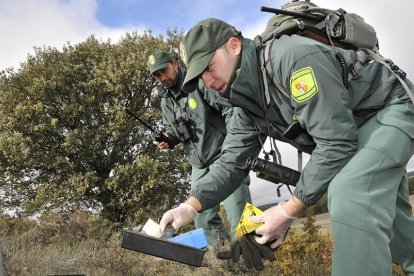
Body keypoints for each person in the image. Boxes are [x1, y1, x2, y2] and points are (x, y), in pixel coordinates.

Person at [160, 17, 414, 275]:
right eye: (200, 76)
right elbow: (231, 163)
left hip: (389, 108)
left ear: (234, 46)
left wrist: (288, 211)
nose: (208, 82)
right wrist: (188, 207)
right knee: (398, 226)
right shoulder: (245, 100)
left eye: (209, 68)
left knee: (350, 194)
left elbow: (336, 141)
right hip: (353, 130)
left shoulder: (291, 59)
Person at [146, 50, 252, 251]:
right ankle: (226, 264)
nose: (162, 78)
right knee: (201, 219)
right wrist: (168, 140)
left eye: (164, 71)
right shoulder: (165, 101)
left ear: (176, 63)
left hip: (224, 154)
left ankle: (255, 263)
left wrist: (235, 144)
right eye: (157, 76)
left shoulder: (199, 81)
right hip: (198, 164)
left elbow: (229, 108)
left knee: (240, 212)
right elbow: (173, 130)